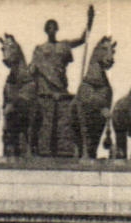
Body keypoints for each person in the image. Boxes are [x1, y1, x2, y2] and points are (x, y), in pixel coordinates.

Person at [30, 6, 94, 156]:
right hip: (45, 91)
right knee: (45, 124)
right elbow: (32, 70)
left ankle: (67, 150)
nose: (52, 30)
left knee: (65, 124)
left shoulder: (64, 45)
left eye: (54, 28)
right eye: (49, 28)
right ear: (46, 30)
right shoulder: (39, 49)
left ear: (56, 30)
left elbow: (82, 39)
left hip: (62, 90)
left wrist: (90, 22)